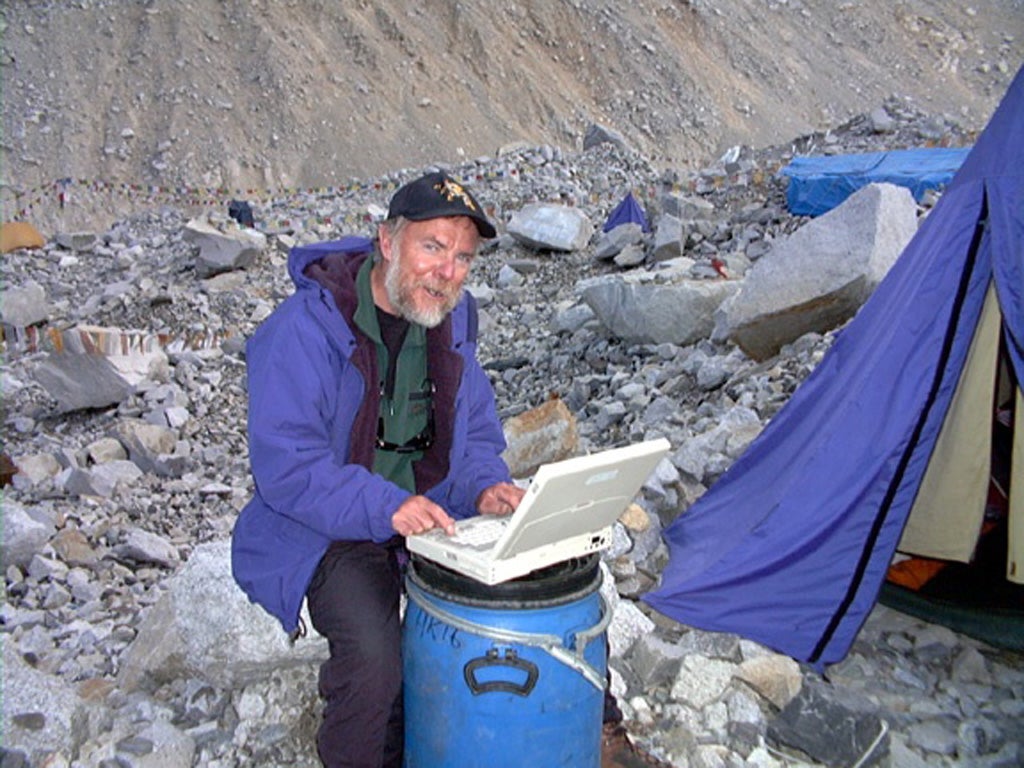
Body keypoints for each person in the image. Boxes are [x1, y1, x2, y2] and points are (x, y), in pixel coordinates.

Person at [231, 171, 525, 767]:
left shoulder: (453, 325)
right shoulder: (303, 331)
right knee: (373, 658)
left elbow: (474, 438)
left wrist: (487, 487)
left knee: (532, 588)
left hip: (429, 515)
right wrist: (384, 506)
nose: (447, 273)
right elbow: (287, 465)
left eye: (462, 257)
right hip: (331, 526)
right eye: (432, 247)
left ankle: (590, 736)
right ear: (388, 242)